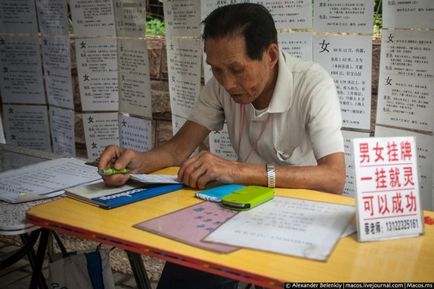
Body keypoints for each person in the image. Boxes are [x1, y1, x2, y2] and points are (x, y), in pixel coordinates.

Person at [99, 3, 345, 288]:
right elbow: (179, 149)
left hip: (298, 216)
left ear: (271, 55)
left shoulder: (313, 85)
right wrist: (134, 161)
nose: (227, 83)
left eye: (237, 70)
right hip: (240, 207)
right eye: (216, 70)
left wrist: (238, 171)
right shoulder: (219, 86)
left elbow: (334, 177)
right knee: (185, 271)